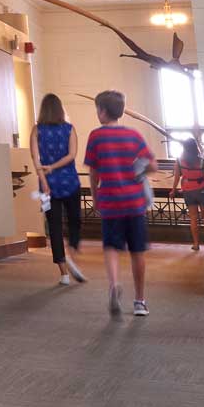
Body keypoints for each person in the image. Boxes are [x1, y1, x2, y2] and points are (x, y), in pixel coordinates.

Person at [85, 90, 155, 316]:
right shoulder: (133, 136)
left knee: (112, 247)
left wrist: (95, 198)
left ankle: (114, 284)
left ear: (103, 112)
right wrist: (138, 169)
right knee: (137, 251)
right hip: (134, 203)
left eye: (98, 109)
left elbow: (94, 172)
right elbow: (152, 165)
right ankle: (140, 301)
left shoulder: (96, 136)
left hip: (110, 202)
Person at [32, 93, 85, 285]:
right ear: (60, 109)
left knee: (53, 226)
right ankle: (72, 252)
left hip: (47, 186)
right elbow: (72, 155)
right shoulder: (69, 129)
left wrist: (44, 181)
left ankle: (64, 273)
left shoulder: (36, 131)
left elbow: (35, 159)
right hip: (70, 182)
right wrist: (54, 167)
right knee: (75, 221)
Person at [169, 137, 204, 252]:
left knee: (193, 218)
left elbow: (177, 178)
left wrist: (173, 190)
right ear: (195, 147)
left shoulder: (179, 161)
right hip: (202, 191)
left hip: (188, 191)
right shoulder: (201, 161)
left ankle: (196, 244)